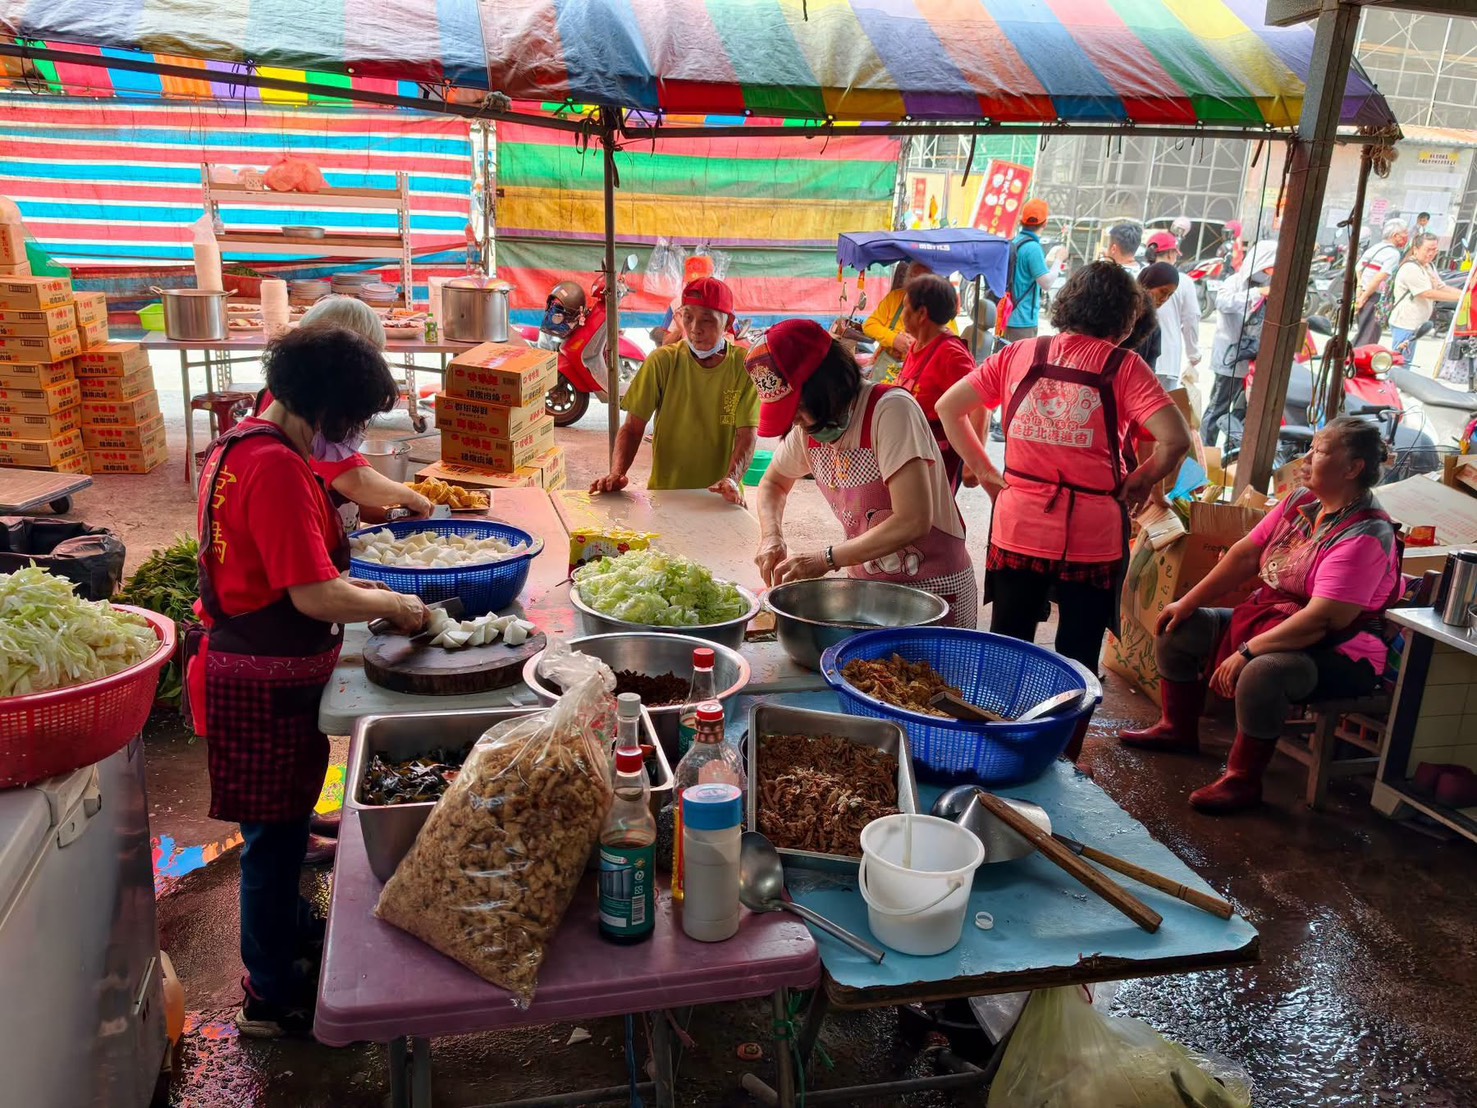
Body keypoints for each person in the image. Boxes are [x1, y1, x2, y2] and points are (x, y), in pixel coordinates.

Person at [187, 327, 429, 1037]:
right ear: (322, 408)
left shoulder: (243, 441)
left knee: (284, 828)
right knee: (269, 845)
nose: (349, 437)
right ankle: (269, 995)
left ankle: (292, 940)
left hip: (254, 668)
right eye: (349, 421)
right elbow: (314, 595)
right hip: (259, 680)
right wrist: (398, 605)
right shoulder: (278, 469)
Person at [1121, 418, 1402, 814]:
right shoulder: (1300, 502)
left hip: (1341, 650)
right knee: (1177, 628)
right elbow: (1244, 554)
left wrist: (1248, 651)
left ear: (1353, 468)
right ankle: (1177, 730)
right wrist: (1186, 601)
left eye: (1319, 451)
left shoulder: (1366, 535)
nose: (1305, 458)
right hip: (1276, 618)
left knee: (1262, 671)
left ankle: (1242, 779)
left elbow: (1323, 619)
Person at [936, 261, 1190, 673]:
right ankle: (1065, 735)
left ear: (1066, 305)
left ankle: (1007, 730)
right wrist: (1140, 482)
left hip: (1019, 526)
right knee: (1078, 657)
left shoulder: (1020, 353)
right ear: (1126, 324)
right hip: (1095, 536)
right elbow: (1176, 440)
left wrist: (986, 473)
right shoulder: (1125, 367)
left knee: (1008, 648)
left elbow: (949, 407)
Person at [749, 319, 977, 627]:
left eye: (799, 408)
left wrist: (824, 559)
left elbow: (913, 519)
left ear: (827, 383)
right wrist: (770, 536)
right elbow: (773, 482)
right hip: (869, 596)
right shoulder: (809, 431)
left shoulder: (890, 410)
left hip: (933, 594)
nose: (797, 421)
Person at [261, 296, 434, 531]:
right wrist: (411, 496)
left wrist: (392, 510)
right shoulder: (304, 414)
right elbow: (353, 480)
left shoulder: (290, 394)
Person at [592, 277, 758, 503]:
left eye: (707, 320)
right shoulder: (662, 361)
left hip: (720, 497)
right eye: (688, 317)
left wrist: (732, 479)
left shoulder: (744, 366)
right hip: (666, 494)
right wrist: (617, 473)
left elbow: (746, 435)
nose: (695, 329)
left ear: (728, 322)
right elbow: (632, 428)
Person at [896, 273, 976, 489]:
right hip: (911, 452)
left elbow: (979, 408)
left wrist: (973, 465)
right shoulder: (916, 346)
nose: (902, 314)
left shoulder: (951, 355)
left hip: (937, 459)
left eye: (905, 307)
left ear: (921, 313)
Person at [1202, 241, 1278, 452]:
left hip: (1255, 362)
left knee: (1242, 411)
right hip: (1231, 358)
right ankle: (1206, 453)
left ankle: (1231, 453)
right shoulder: (1234, 283)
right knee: (1218, 407)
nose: (1270, 272)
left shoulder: (1273, 286)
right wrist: (1258, 293)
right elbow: (1224, 303)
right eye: (1269, 267)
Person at [862, 260, 958, 380]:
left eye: (923, 278)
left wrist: (920, 345)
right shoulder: (895, 298)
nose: (903, 317)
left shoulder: (940, 312)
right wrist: (894, 339)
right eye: (913, 276)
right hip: (886, 369)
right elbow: (869, 325)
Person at [1391, 232, 1463, 365]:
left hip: (1417, 324)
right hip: (1405, 322)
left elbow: (1441, 287)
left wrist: (1465, 295)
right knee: (1400, 362)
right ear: (1416, 249)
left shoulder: (1429, 266)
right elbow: (1427, 293)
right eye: (1428, 250)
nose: (1432, 253)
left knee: (1406, 362)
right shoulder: (1410, 268)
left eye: (1435, 250)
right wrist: (1461, 298)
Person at [1141, 235, 1202, 389]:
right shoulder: (1184, 281)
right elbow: (1191, 319)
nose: (1163, 299)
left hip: (1138, 359)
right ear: (1170, 254)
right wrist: (1193, 354)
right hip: (1167, 360)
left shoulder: (1139, 274)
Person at [1001, 199, 1052, 343]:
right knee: (1021, 364)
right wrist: (1059, 260)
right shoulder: (1033, 248)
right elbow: (1046, 283)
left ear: (1022, 221)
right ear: (1045, 223)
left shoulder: (1016, 242)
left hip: (1008, 315)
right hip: (1023, 321)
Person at [1353, 218, 1410, 346]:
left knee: (1362, 333)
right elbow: (1380, 277)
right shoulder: (1393, 254)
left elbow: (1358, 269)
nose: (1407, 237)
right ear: (1396, 236)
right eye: (1405, 233)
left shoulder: (1375, 248)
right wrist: (1364, 297)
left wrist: (1359, 293)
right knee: (1368, 338)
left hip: (1364, 293)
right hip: (1374, 298)